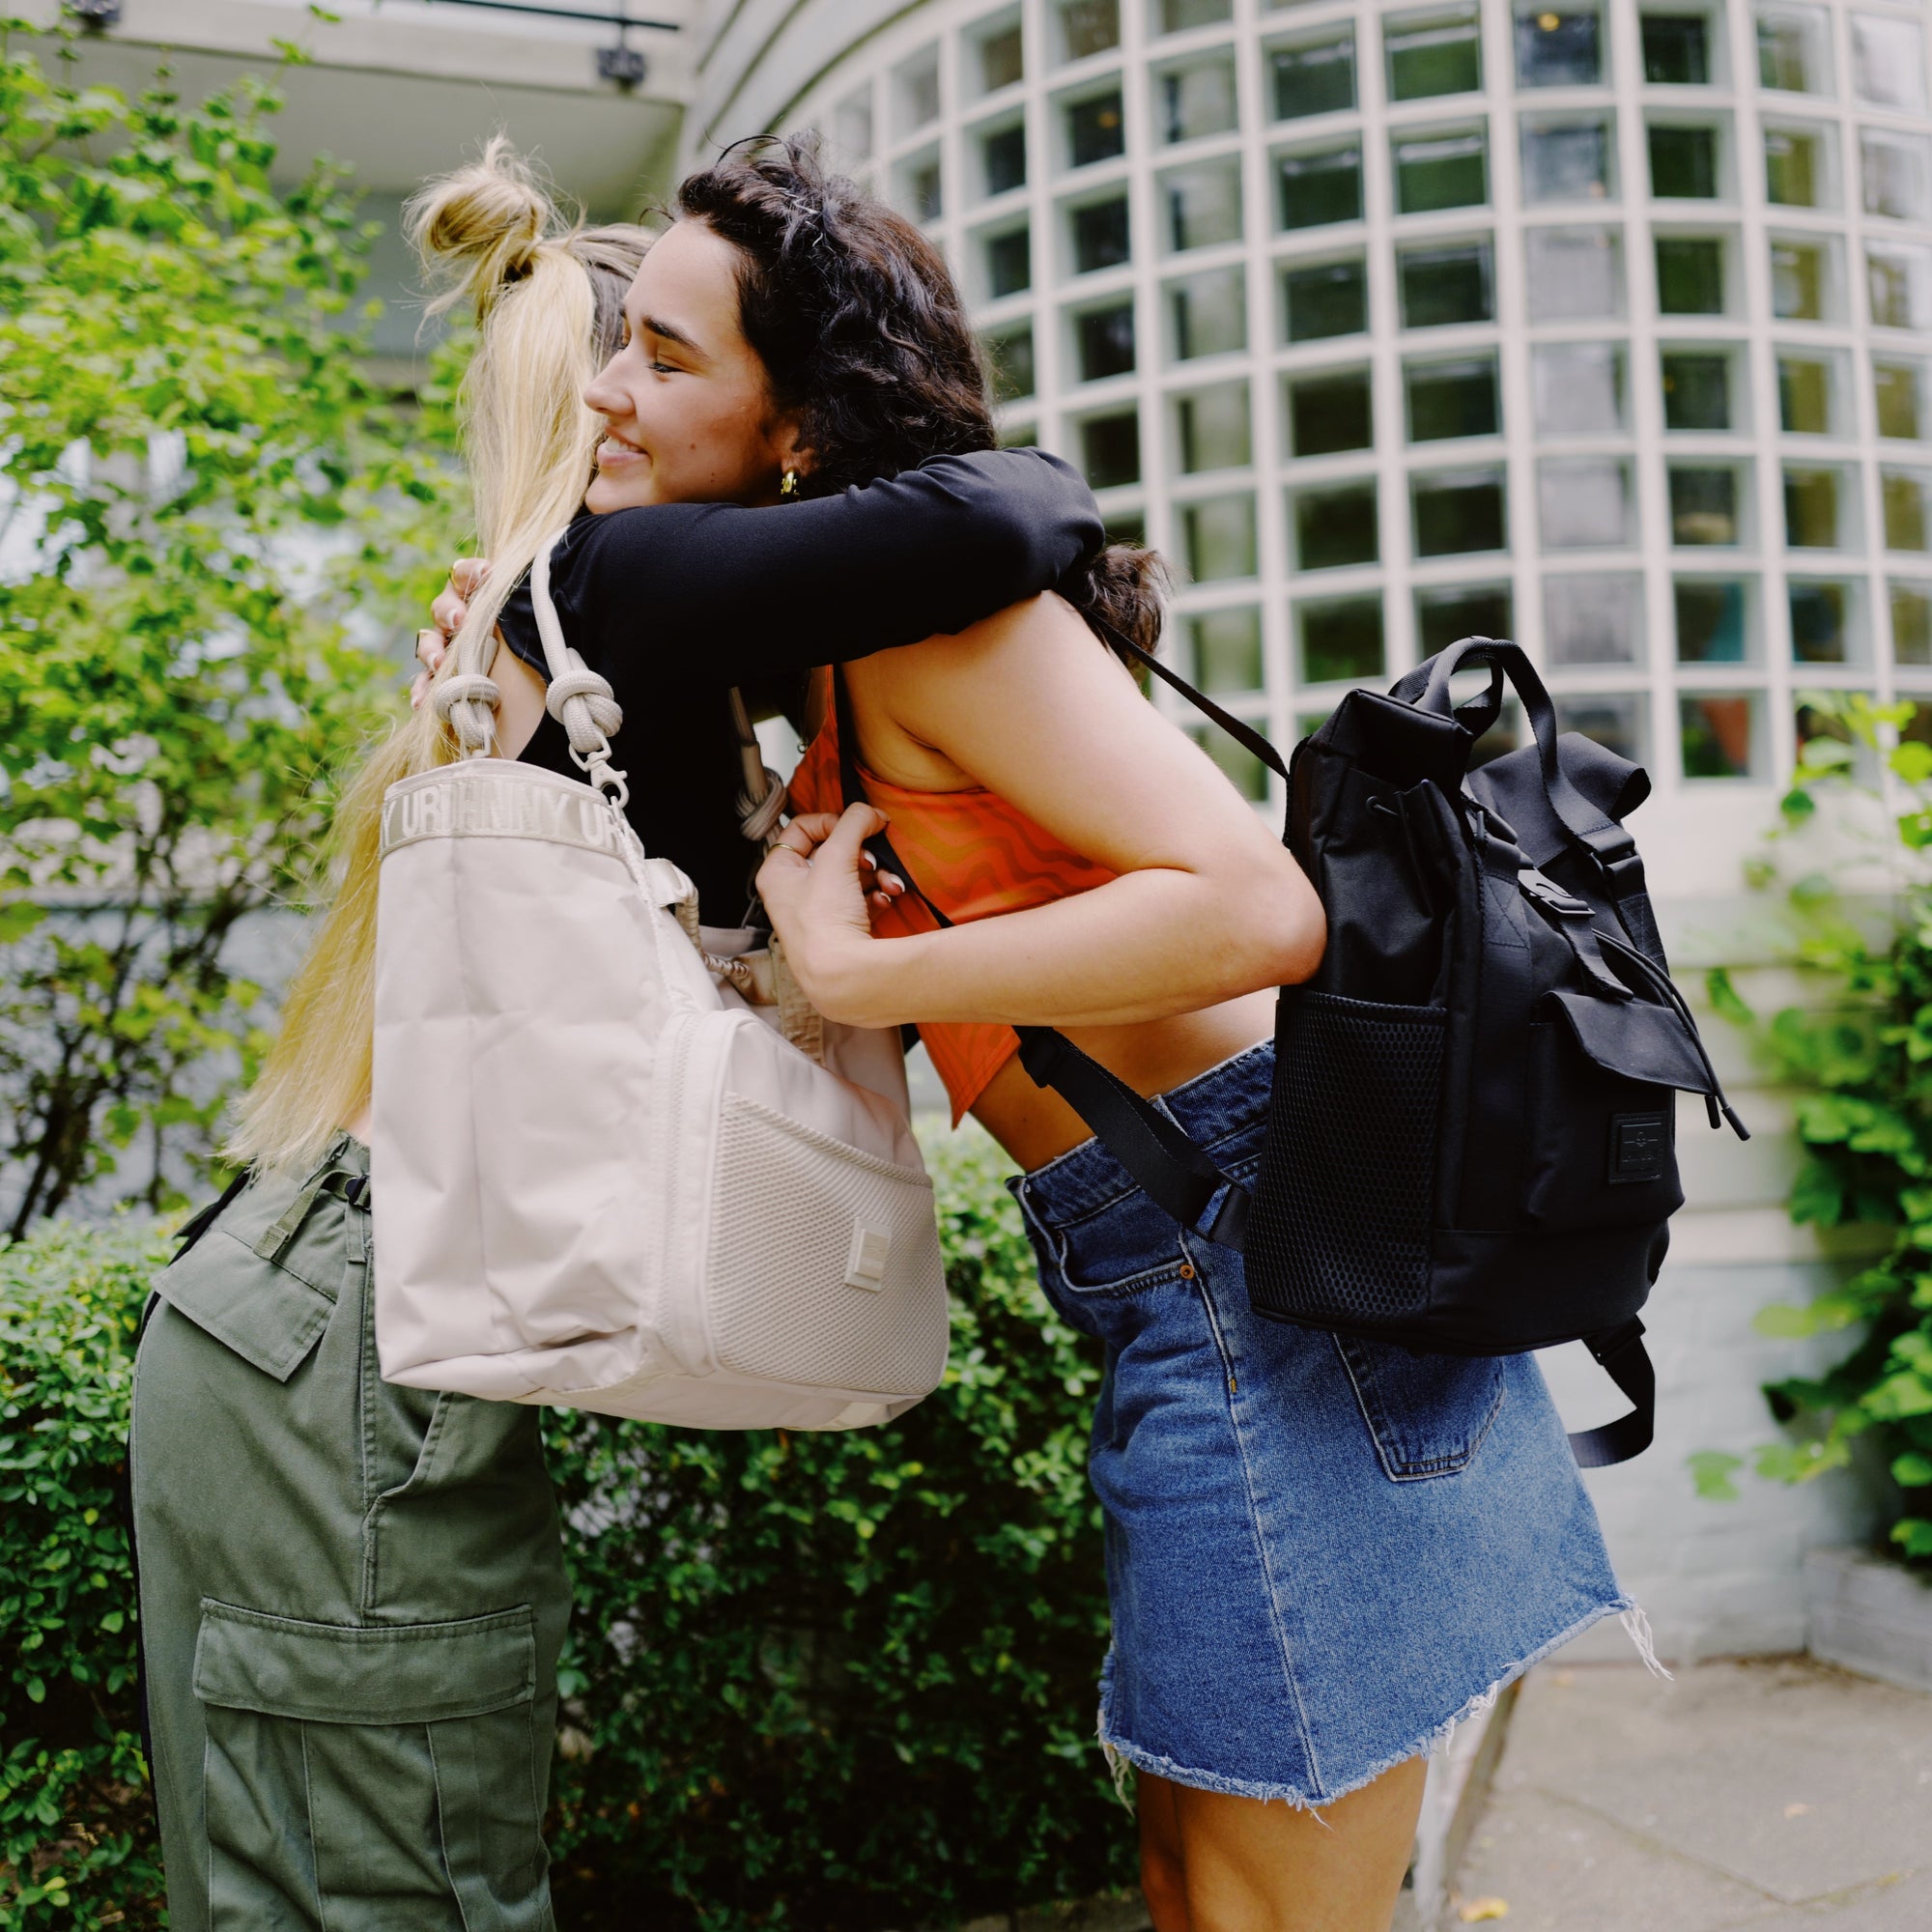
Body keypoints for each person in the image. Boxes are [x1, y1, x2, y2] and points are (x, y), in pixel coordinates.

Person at [421, 137, 1648, 1932]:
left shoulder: (930, 635)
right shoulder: (831, 662)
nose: (613, 387)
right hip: (1188, 1275)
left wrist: (861, 981)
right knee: (1195, 1878)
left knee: (1255, 1904)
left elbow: (1257, 906)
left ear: (798, 428)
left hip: (1265, 1272)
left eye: (671, 358)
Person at [128, 140, 1110, 1932]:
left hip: (309, 1324)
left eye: (667, 361)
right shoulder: (612, 590)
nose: (624, 396)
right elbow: (1019, 509)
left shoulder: (614, 639)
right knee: (396, 1887)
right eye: (625, 363)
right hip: (339, 1359)